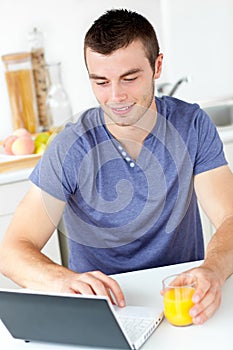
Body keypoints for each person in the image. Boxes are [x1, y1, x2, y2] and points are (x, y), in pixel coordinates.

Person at [0, 9, 232, 325]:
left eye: (130, 78)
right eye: (101, 81)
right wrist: (62, 281)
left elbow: (229, 218)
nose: (115, 96)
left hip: (181, 302)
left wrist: (213, 270)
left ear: (157, 66)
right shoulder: (71, 145)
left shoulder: (191, 125)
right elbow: (12, 250)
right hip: (104, 313)